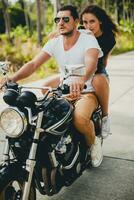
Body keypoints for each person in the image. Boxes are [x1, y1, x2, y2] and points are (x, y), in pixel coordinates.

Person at [0, 5, 103, 167]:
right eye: (58, 19)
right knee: (39, 120)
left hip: (86, 92)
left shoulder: (88, 39)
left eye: (65, 19)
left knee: (80, 119)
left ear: (76, 22)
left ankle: (94, 144)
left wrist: (82, 79)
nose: (60, 22)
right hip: (62, 91)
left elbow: (91, 64)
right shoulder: (55, 42)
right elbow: (34, 64)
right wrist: (12, 78)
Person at [43, 5, 118, 139]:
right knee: (46, 86)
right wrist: (58, 33)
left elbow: (104, 60)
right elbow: (70, 32)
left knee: (98, 80)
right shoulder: (83, 32)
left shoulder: (109, 38)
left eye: (92, 21)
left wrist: (102, 73)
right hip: (78, 72)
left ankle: (105, 117)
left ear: (100, 21)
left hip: (97, 71)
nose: (88, 25)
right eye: (85, 22)